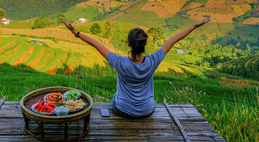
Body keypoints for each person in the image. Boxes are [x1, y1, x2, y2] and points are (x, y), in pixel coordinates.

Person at [60, 17, 211, 118]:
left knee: (115, 97)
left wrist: (76, 33)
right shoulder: (153, 60)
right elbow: (172, 40)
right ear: (145, 45)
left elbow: (96, 44)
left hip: (123, 110)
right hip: (147, 110)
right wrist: (194, 26)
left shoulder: (120, 62)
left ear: (128, 45)